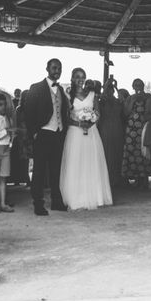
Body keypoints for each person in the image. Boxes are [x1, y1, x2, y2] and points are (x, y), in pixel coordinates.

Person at [60, 68, 113, 210]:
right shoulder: (67, 95)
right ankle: (76, 198)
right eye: (77, 76)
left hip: (91, 133)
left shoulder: (92, 94)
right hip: (75, 133)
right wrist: (79, 123)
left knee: (91, 162)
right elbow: (65, 118)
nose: (80, 79)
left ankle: (95, 196)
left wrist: (91, 120)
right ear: (72, 78)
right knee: (76, 163)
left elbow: (97, 113)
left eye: (82, 77)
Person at [25, 58, 69, 215]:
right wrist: (34, 132)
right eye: (54, 68)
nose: (57, 71)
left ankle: (56, 201)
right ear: (47, 69)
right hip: (43, 133)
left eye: (59, 68)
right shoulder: (36, 88)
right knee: (39, 170)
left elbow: (63, 112)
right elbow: (28, 112)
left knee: (56, 169)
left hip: (58, 133)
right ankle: (38, 203)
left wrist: (63, 130)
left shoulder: (62, 90)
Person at [121, 79, 151, 189]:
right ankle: (136, 178)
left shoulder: (148, 97)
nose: (138, 87)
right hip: (132, 129)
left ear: (143, 86)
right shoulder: (130, 98)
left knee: (143, 152)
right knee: (133, 152)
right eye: (136, 85)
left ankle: (144, 180)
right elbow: (126, 113)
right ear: (133, 87)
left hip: (143, 128)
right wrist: (133, 101)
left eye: (140, 85)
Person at [98, 77, 125, 187]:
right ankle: (107, 179)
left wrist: (116, 86)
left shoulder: (118, 101)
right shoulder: (102, 101)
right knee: (106, 154)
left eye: (111, 89)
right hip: (105, 129)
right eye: (107, 89)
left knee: (117, 154)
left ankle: (116, 179)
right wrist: (107, 84)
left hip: (117, 129)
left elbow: (124, 108)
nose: (109, 91)